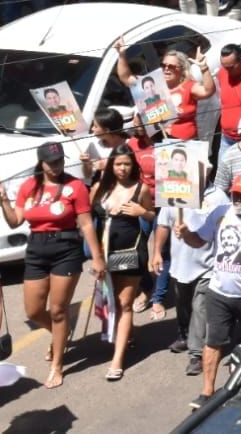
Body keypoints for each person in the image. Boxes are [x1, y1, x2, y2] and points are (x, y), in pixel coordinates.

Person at [0, 142, 105, 388]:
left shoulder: (75, 186)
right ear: (41, 163)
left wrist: (97, 258)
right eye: (51, 162)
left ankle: (57, 361)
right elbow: (14, 221)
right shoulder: (29, 187)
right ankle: (60, 333)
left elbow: (86, 224)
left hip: (66, 249)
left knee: (57, 310)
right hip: (36, 250)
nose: (57, 166)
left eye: (60, 161)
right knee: (33, 311)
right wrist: (3, 201)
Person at [176, 173, 241, 410]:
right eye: (235, 194)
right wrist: (186, 234)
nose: (238, 199)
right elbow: (199, 242)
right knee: (213, 341)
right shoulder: (219, 213)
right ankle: (207, 392)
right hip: (219, 292)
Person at [92, 146, 155, 380]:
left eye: (127, 164)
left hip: (131, 252)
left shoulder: (141, 189)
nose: (122, 168)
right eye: (118, 164)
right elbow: (88, 219)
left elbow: (152, 215)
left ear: (133, 166)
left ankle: (117, 359)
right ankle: (127, 332)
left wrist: (141, 211)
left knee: (124, 303)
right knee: (112, 302)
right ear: (111, 165)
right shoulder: (100, 189)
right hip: (107, 252)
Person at [151, 189, 218, 376]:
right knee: (183, 303)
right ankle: (185, 336)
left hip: (208, 266)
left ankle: (196, 354)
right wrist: (156, 252)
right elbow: (163, 225)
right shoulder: (173, 192)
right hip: (180, 264)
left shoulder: (217, 196)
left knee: (200, 307)